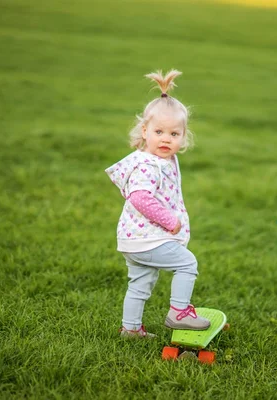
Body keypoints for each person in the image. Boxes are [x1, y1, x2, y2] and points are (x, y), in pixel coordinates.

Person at [105, 70, 210, 338]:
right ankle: (179, 311)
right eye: (159, 132)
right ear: (145, 131)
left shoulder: (159, 159)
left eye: (174, 133)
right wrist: (169, 220)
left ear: (184, 136)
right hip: (148, 238)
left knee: (140, 284)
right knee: (187, 264)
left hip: (134, 239)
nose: (166, 139)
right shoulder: (148, 165)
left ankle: (130, 330)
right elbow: (139, 197)